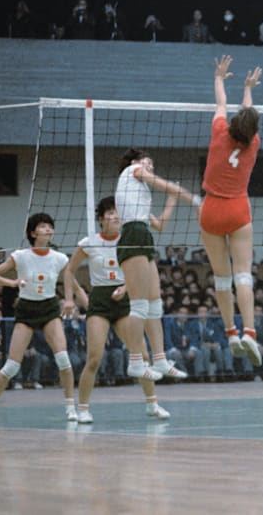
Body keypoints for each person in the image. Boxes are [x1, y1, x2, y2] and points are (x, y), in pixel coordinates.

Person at [62, 196, 173, 424]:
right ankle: (82, 408)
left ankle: (152, 403)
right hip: (101, 301)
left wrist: (126, 286)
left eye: (117, 212)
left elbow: (141, 272)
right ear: (101, 218)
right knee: (94, 358)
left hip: (125, 301)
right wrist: (70, 299)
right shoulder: (89, 242)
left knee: (142, 355)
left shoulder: (128, 240)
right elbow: (68, 271)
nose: (114, 217)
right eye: (110, 213)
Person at [0, 213, 77, 423]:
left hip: (50, 307)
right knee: (12, 365)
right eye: (43, 226)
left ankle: (71, 408)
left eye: (50, 226)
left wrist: (69, 300)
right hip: (26, 309)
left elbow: (69, 277)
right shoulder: (20, 256)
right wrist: (13, 283)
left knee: (63, 358)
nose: (48, 229)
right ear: (33, 233)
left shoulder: (60, 258)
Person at [199, 55, 263, 370]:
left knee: (222, 278)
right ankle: (250, 332)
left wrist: (219, 79)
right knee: (243, 274)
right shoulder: (253, 145)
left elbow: (223, 105)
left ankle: (231, 333)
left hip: (212, 209)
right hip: (238, 209)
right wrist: (249, 88)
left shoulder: (220, 132)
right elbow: (247, 114)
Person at [115, 147, 198, 382]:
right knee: (139, 305)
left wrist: (172, 199)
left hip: (144, 236)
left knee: (155, 304)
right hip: (132, 236)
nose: (150, 167)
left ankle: (160, 360)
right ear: (135, 162)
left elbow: (160, 225)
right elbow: (162, 184)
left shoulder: (139, 195)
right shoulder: (133, 170)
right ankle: (135, 361)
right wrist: (188, 196)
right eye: (147, 162)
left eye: (152, 165)